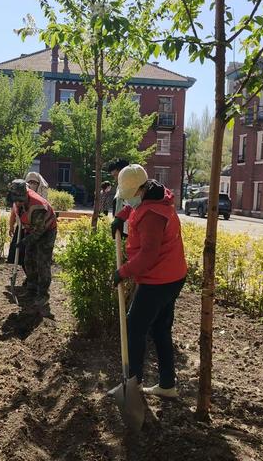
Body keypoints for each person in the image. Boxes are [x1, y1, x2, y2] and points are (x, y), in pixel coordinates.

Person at [111, 164, 187, 398]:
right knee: (160, 329)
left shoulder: (152, 215)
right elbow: (132, 207)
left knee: (134, 328)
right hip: (173, 275)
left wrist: (122, 272)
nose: (128, 201)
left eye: (129, 196)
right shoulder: (154, 196)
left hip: (159, 279)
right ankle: (167, 384)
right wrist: (120, 217)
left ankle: (132, 385)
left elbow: (148, 254)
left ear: (139, 191)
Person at [7, 179, 57, 316]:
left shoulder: (38, 206)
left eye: (19, 200)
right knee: (28, 260)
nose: (17, 202)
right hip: (31, 230)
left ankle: (43, 295)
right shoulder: (16, 197)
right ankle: (31, 288)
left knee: (42, 262)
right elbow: (21, 217)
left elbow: (39, 231)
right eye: (16, 200)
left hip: (46, 231)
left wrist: (25, 241)